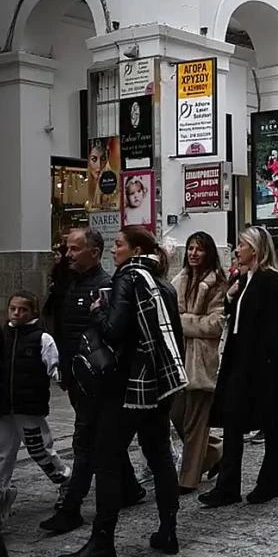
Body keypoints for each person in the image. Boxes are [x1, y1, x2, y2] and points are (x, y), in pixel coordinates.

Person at [61, 226, 187, 557]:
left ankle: (103, 540)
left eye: (118, 244)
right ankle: (168, 531)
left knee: (107, 459)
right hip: (157, 386)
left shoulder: (127, 278)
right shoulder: (162, 284)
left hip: (126, 386)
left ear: (135, 250)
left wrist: (97, 310)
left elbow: (114, 329)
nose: (113, 250)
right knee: (159, 457)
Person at [42, 229, 145, 534]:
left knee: (84, 443)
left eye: (75, 249)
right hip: (76, 376)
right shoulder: (68, 283)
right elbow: (61, 327)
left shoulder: (108, 287)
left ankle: (71, 507)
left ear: (94, 252)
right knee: (103, 441)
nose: (69, 254)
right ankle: (129, 488)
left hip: (98, 380)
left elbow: (114, 335)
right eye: (67, 249)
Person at [200, 226, 278, 508]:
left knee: (270, 421)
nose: (237, 249)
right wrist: (230, 297)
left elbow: (268, 326)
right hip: (240, 355)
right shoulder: (245, 278)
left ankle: (272, 481)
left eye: (242, 244)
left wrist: (264, 364)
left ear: (255, 249)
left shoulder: (269, 280)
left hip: (261, 360)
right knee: (233, 419)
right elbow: (238, 318)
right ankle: (227, 486)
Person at [0, 292, 71, 523]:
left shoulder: (42, 339)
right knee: (2, 453)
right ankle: (3, 492)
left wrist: (62, 377)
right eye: (13, 309)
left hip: (28, 406)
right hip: (3, 406)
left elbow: (54, 366)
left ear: (33, 313)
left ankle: (65, 480)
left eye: (23, 310)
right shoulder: (3, 335)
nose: (17, 313)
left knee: (40, 448)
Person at [170, 232, 226, 494]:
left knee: (195, 422)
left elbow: (215, 324)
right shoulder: (178, 281)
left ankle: (188, 478)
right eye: (190, 248)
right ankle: (216, 450)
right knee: (178, 416)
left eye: (199, 249)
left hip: (202, 359)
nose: (193, 253)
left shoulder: (216, 283)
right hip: (178, 357)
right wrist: (191, 322)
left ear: (208, 253)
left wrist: (183, 322)